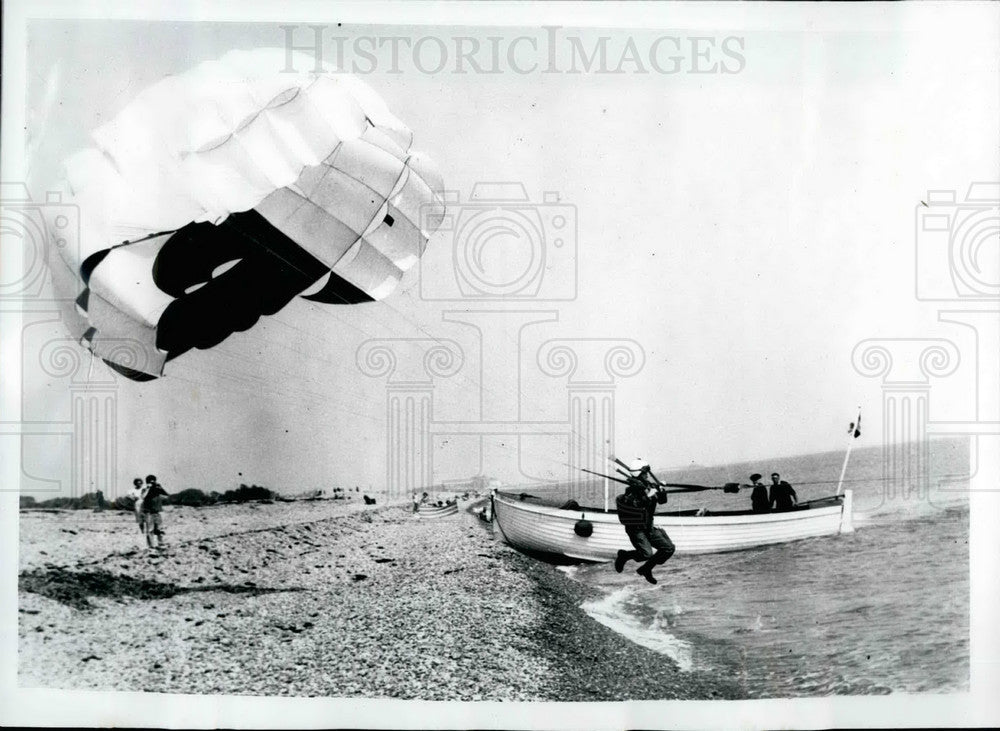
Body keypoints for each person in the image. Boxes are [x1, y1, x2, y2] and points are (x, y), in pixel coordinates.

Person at [613, 458, 676, 584]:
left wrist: (661, 491)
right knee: (646, 554)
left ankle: (646, 569)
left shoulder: (648, 486)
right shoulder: (631, 490)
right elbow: (634, 505)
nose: (647, 475)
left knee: (668, 548)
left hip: (648, 526)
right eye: (644, 473)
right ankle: (624, 556)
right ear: (639, 474)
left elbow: (662, 501)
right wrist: (648, 496)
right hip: (636, 529)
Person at [140, 474, 169, 550]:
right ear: (147, 482)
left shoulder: (157, 489)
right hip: (148, 512)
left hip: (157, 512)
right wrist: (148, 488)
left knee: (160, 529)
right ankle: (151, 546)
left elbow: (167, 495)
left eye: (153, 481)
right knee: (150, 530)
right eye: (150, 481)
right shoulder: (145, 489)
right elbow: (143, 497)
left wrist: (160, 487)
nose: (152, 483)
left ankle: (161, 543)